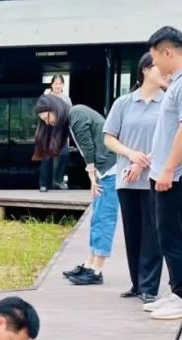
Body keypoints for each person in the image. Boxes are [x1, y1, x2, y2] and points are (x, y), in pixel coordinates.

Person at [104, 53, 168, 304]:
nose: (165, 73)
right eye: (159, 68)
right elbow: (109, 138)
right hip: (127, 179)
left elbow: (170, 140)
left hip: (156, 178)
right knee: (132, 233)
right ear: (145, 70)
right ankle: (137, 283)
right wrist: (131, 155)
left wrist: (142, 162)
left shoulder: (168, 103)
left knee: (153, 235)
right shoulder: (124, 103)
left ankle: (149, 287)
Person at [35, 95, 119, 286]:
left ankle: (96, 270)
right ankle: (90, 264)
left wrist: (91, 174)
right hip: (105, 170)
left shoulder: (77, 113)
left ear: (55, 108)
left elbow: (88, 146)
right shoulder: (73, 116)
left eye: (47, 117)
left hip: (111, 170)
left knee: (104, 219)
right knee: (97, 219)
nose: (48, 122)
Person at [145, 26, 182, 321]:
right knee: (167, 236)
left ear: (167, 52)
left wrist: (168, 169)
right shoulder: (176, 83)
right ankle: (176, 289)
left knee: (173, 236)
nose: (154, 64)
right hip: (165, 173)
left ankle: (181, 296)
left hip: (174, 177)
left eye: (155, 57)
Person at [39, 75, 71, 192]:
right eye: (55, 83)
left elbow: (70, 114)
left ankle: (58, 181)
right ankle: (44, 184)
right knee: (47, 157)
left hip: (62, 130)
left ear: (63, 85)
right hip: (48, 130)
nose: (58, 86)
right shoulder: (46, 97)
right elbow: (41, 112)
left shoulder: (66, 99)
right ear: (52, 85)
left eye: (60, 83)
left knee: (64, 154)